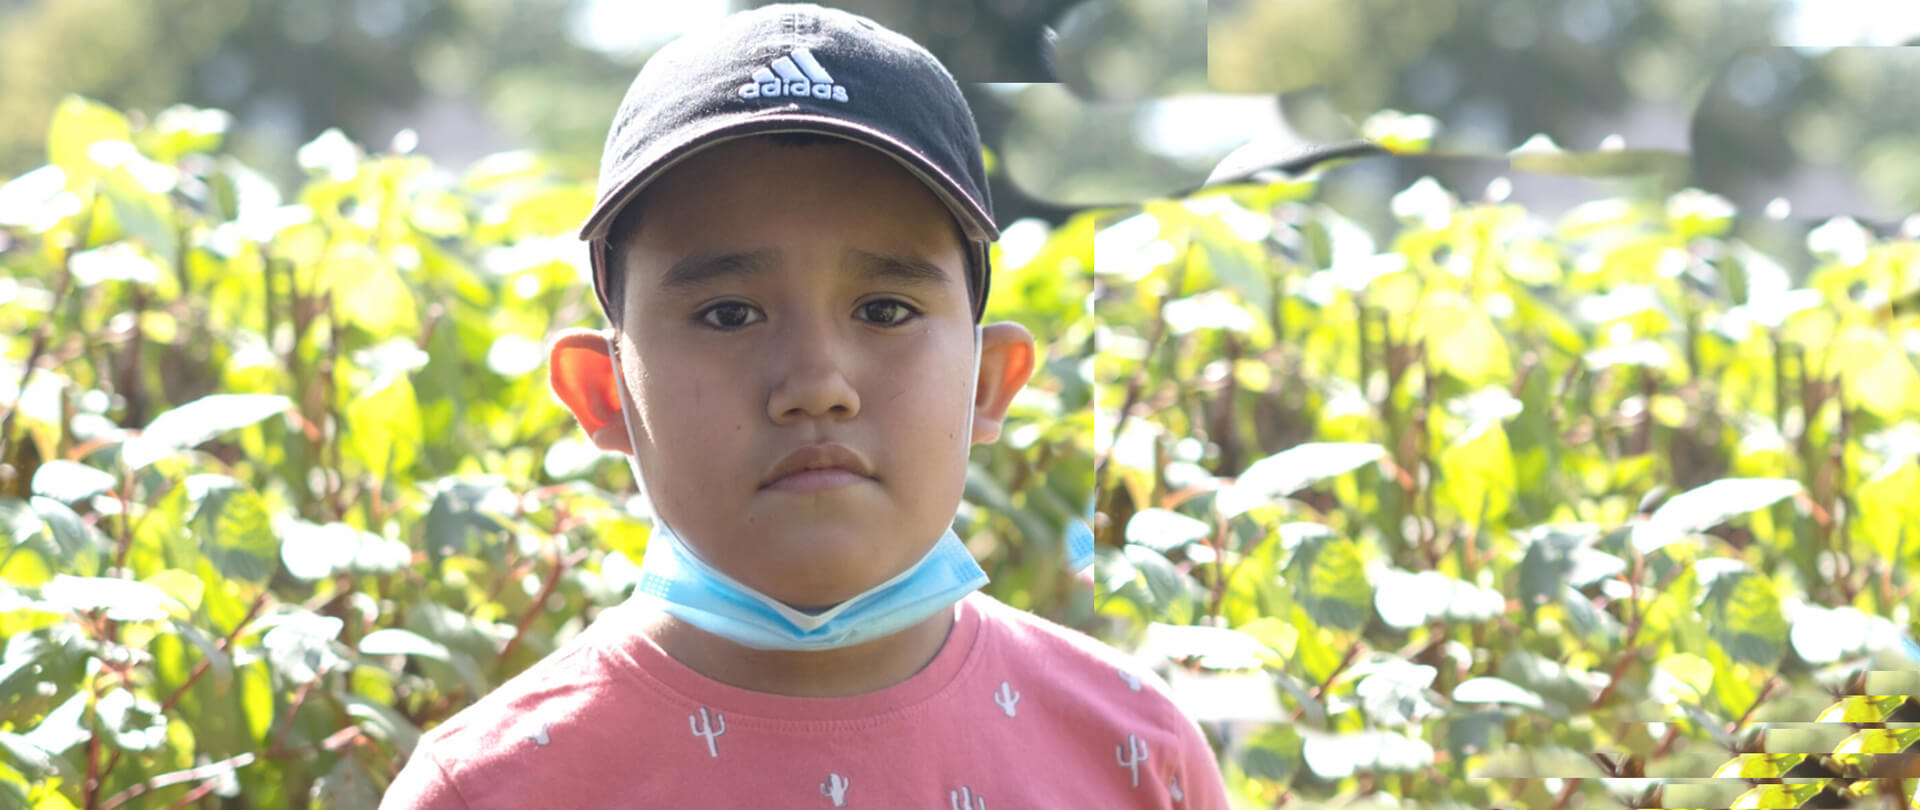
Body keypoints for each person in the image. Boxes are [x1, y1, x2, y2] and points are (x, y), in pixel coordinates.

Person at [379, 4, 1227, 807]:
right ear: (603, 394)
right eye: (728, 314)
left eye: (885, 310)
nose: (818, 383)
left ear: (989, 380)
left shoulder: (1135, 755)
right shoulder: (487, 790)